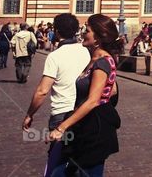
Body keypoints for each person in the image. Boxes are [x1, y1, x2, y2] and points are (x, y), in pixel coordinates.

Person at [46, 14, 122, 176]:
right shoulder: (93, 58)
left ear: (98, 38)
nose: (82, 33)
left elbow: (93, 101)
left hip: (95, 128)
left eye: (86, 30)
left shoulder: (102, 62)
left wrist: (61, 127)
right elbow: (113, 89)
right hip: (84, 124)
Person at [23, 14, 91, 177]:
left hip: (62, 115)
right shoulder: (88, 52)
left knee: (58, 161)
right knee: (80, 160)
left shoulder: (55, 56)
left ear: (57, 32)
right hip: (84, 114)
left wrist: (29, 114)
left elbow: (42, 91)